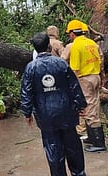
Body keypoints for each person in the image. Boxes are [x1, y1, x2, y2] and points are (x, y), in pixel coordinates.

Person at [21, 32, 87, 176]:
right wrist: (80, 105)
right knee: (73, 147)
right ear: (49, 46)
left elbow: (27, 92)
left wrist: (27, 112)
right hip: (66, 113)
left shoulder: (31, 68)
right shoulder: (61, 63)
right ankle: (79, 173)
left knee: (53, 150)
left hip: (46, 117)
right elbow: (74, 86)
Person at [66, 19, 106, 152]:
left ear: (72, 33)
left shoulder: (75, 46)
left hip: (85, 80)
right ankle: (91, 137)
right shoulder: (91, 43)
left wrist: (72, 87)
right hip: (96, 77)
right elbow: (101, 61)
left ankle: (99, 143)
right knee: (94, 106)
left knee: (88, 110)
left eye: (69, 33)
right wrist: (102, 77)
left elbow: (75, 70)